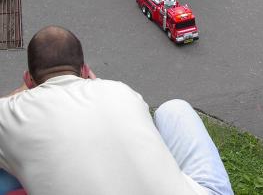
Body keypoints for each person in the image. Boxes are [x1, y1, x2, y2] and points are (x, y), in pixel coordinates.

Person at [0, 25, 234, 195]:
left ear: (29, 80)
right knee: (174, 109)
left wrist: (24, 89)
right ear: (84, 71)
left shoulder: (12, 113)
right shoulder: (121, 91)